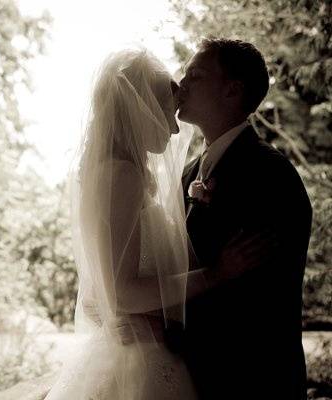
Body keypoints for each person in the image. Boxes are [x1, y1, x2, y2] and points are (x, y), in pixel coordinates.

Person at [44, 46, 270, 400]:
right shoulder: (124, 175)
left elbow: (103, 287)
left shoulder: (121, 173)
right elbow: (119, 292)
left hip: (148, 349)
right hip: (139, 362)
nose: (175, 129)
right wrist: (215, 274)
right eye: (168, 113)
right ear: (141, 110)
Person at [178, 38, 312, 400]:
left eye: (196, 75)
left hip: (253, 380)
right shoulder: (188, 174)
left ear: (232, 91)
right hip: (197, 377)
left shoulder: (271, 175)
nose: (182, 83)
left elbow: (260, 295)